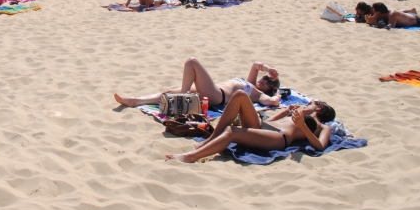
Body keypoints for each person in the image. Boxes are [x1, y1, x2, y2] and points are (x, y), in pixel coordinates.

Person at [165, 92, 335, 163]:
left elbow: (320, 146)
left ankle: (191, 157)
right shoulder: (298, 113)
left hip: (279, 137)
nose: (309, 103)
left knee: (232, 131)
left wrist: (303, 127)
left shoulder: (323, 127)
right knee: (240, 95)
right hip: (264, 127)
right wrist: (285, 113)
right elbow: (272, 121)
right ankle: (210, 139)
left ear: (320, 108)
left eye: (313, 103)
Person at [114, 58, 281, 109]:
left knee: (192, 62)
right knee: (169, 91)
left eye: (268, 81)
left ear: (271, 88)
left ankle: (183, 94)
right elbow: (255, 65)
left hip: (219, 96)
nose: (263, 79)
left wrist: (279, 94)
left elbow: (273, 102)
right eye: (265, 77)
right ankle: (135, 100)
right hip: (213, 90)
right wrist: (269, 69)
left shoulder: (259, 95)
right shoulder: (250, 83)